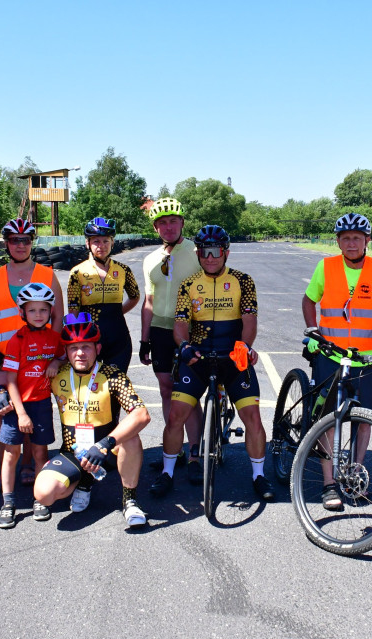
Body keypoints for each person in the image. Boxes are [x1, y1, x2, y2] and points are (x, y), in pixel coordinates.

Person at [151, 225, 275, 502]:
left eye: (215, 251)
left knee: (252, 417)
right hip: (198, 357)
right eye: (204, 252)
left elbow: (250, 319)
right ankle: (168, 473)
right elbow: (181, 323)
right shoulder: (189, 284)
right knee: (176, 415)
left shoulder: (243, 280)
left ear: (225, 252)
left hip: (234, 357)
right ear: (198, 254)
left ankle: (258, 475)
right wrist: (183, 346)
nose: (209, 257)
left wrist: (244, 345)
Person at [301, 212, 372, 510]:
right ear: (338, 241)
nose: (351, 243)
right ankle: (329, 485)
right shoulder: (326, 266)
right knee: (329, 419)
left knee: (363, 419)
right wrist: (314, 332)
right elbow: (308, 300)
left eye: (357, 238)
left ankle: (354, 477)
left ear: (367, 240)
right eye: (345, 238)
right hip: (330, 354)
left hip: (366, 358)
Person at [33, 313, 151, 526]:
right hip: (74, 451)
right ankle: (84, 481)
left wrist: (105, 444)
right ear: (66, 351)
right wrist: (0, 391)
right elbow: (26, 387)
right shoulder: (57, 374)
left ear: (97, 349)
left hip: (107, 451)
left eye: (86, 347)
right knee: (44, 494)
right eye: (73, 348)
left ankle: (129, 500)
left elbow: (141, 414)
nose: (80, 353)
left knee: (132, 439)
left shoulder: (112, 375)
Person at [0, 218, 64, 493]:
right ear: (7, 244)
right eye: (14, 240)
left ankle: (28, 463)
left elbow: (59, 317)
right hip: (2, 355)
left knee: (32, 410)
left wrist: (55, 355)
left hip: (39, 358)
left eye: (25, 240)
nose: (20, 244)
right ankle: (4, 466)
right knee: (0, 410)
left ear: (31, 243)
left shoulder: (47, 274)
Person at [139, 197, 203, 467]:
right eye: (162, 223)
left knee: (188, 393)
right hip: (160, 330)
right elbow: (149, 301)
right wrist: (144, 340)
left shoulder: (197, 251)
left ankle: (196, 452)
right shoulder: (151, 259)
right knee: (166, 390)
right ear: (155, 228)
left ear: (182, 223)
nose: (168, 227)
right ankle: (174, 448)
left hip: (191, 329)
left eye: (173, 221)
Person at [0, 283, 64, 529]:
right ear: (22, 312)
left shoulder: (54, 338)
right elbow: (10, 381)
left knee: (40, 454)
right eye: (32, 310)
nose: (38, 315)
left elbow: (64, 354)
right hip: (19, 407)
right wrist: (21, 413)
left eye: (43, 310)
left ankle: (40, 498)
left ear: (50, 312)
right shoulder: (16, 341)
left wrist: (56, 360)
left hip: (42, 405)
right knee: (11, 454)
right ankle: (8, 502)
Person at [67, 217, 140, 371]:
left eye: (106, 241)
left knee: (116, 386)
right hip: (89, 338)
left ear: (112, 242)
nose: (101, 246)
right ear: (88, 243)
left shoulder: (123, 270)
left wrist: (117, 313)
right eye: (96, 241)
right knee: (92, 389)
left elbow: (135, 297)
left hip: (118, 337)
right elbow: (73, 310)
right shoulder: (77, 272)